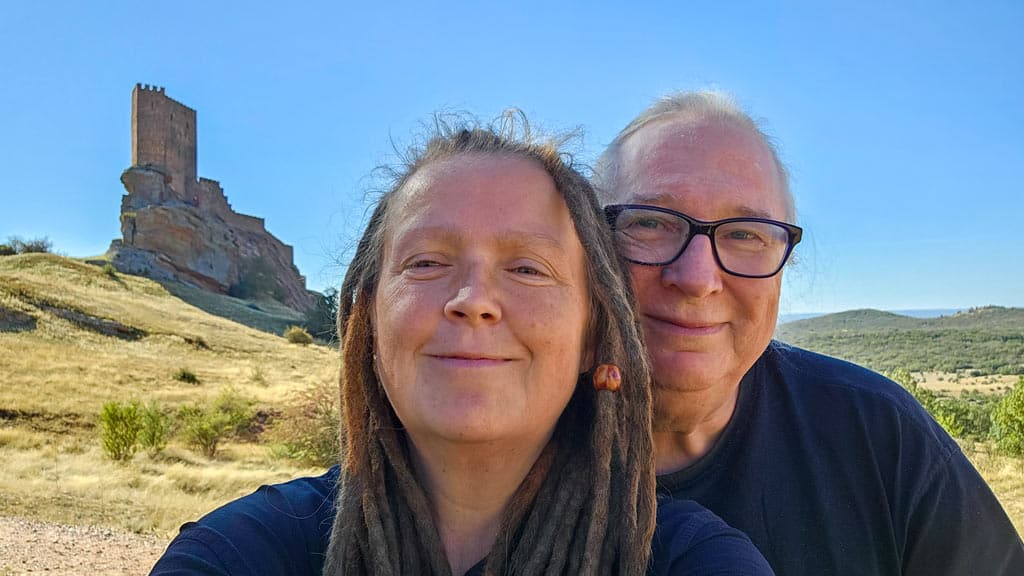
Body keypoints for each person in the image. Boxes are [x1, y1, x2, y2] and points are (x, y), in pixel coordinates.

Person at [150, 114, 774, 575]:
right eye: (426, 262)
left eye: (528, 268)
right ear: (366, 323)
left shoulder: (694, 561)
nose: (473, 298)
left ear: (594, 336)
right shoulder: (240, 555)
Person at [593, 91, 1024, 575]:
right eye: (650, 222)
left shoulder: (880, 435)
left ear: (783, 265)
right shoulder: (512, 448)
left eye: (745, 233)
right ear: (587, 245)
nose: (697, 278)